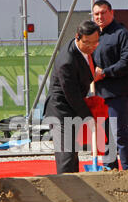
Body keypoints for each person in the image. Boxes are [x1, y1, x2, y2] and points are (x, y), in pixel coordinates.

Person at [43, 20, 100, 174]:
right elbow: (72, 95)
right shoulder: (66, 61)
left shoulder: (82, 50)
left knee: (73, 153)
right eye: (87, 43)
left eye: (95, 43)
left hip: (72, 109)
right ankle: (65, 190)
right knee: (66, 156)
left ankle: (76, 188)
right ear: (77, 37)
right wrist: (89, 116)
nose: (91, 46)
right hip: (60, 110)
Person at [92, 0, 128, 170]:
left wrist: (104, 72)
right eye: (96, 14)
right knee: (106, 135)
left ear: (111, 12)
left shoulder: (122, 34)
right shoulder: (94, 35)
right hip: (99, 94)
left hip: (117, 93)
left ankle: (127, 171)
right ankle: (110, 168)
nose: (99, 17)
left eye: (103, 13)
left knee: (120, 133)